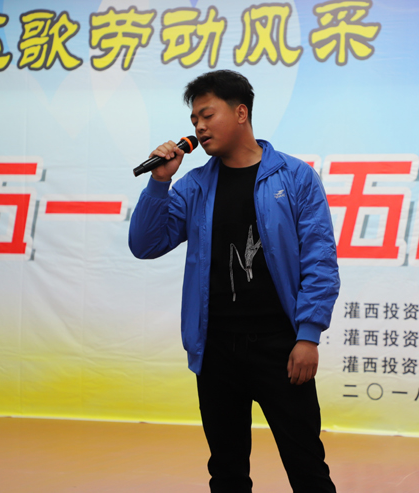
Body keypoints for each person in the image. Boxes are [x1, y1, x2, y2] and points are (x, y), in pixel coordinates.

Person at [128, 70, 339, 493]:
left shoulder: (295, 177)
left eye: (207, 116)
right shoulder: (194, 186)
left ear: (241, 113)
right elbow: (146, 244)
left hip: (281, 347)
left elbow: (319, 260)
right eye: (194, 121)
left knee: (307, 468)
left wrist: (308, 335)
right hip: (216, 350)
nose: (199, 128)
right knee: (226, 473)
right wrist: (160, 182)